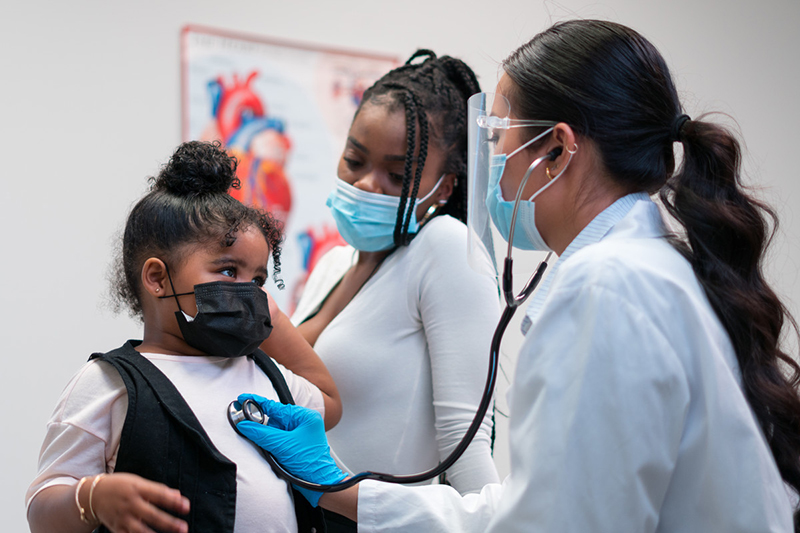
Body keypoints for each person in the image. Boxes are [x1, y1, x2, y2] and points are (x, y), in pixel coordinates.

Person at [236, 20, 800, 532]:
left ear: (554, 149)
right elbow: (528, 510)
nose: (492, 160)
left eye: (497, 135)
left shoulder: (609, 288)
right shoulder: (645, 272)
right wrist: (343, 488)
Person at [26, 141, 342, 533]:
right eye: (228, 271)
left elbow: (329, 402)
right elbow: (42, 511)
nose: (250, 292)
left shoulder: (263, 373)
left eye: (258, 279)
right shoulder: (108, 384)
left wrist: (269, 314)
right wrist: (92, 497)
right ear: (158, 278)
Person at [285, 49, 502, 531]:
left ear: (443, 189)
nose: (367, 184)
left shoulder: (444, 249)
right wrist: (360, 270)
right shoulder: (332, 264)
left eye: (397, 175)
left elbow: (464, 446)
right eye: (354, 159)